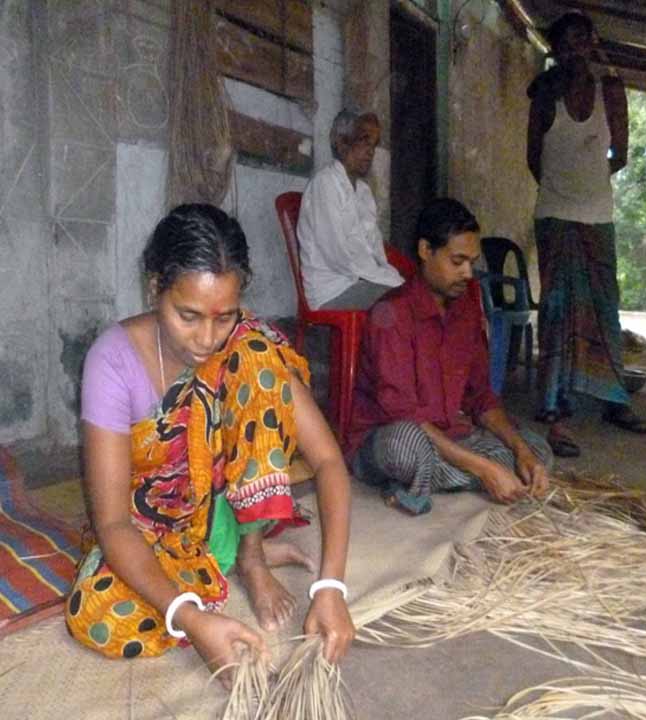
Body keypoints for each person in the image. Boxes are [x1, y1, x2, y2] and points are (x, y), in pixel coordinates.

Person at [68, 204, 355, 680]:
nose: (206, 338)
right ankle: (210, 571)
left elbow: (327, 460)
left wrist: (331, 587)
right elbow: (114, 522)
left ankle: (252, 554)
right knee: (95, 613)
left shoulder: (244, 346)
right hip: (156, 531)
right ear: (155, 287)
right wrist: (190, 617)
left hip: (225, 507)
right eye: (188, 315)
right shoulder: (112, 361)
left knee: (260, 358)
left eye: (224, 317)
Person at [347, 198, 552, 516]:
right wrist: (484, 468)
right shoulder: (392, 314)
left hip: (447, 440)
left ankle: (425, 481)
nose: (468, 273)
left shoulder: (467, 309)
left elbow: (482, 399)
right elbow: (403, 416)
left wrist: (521, 451)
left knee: (537, 450)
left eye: (472, 261)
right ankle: (455, 475)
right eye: (457, 261)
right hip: (387, 441)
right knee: (407, 447)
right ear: (425, 250)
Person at [526, 11, 646, 457]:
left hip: (597, 214)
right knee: (557, 307)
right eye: (567, 42)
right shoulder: (543, 94)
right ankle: (555, 407)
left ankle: (613, 399)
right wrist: (564, 191)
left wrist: (588, 184)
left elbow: (620, 154)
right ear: (556, 50)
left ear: (592, 45)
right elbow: (532, 158)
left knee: (604, 308)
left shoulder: (610, 90)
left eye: (583, 40)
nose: (576, 48)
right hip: (556, 214)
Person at [297, 109, 405, 310]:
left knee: (415, 295)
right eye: (364, 141)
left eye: (373, 144)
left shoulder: (363, 192)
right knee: (404, 301)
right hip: (333, 290)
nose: (371, 151)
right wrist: (384, 279)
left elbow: (374, 248)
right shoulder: (325, 184)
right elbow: (338, 255)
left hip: (360, 281)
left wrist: (389, 275)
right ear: (342, 142)